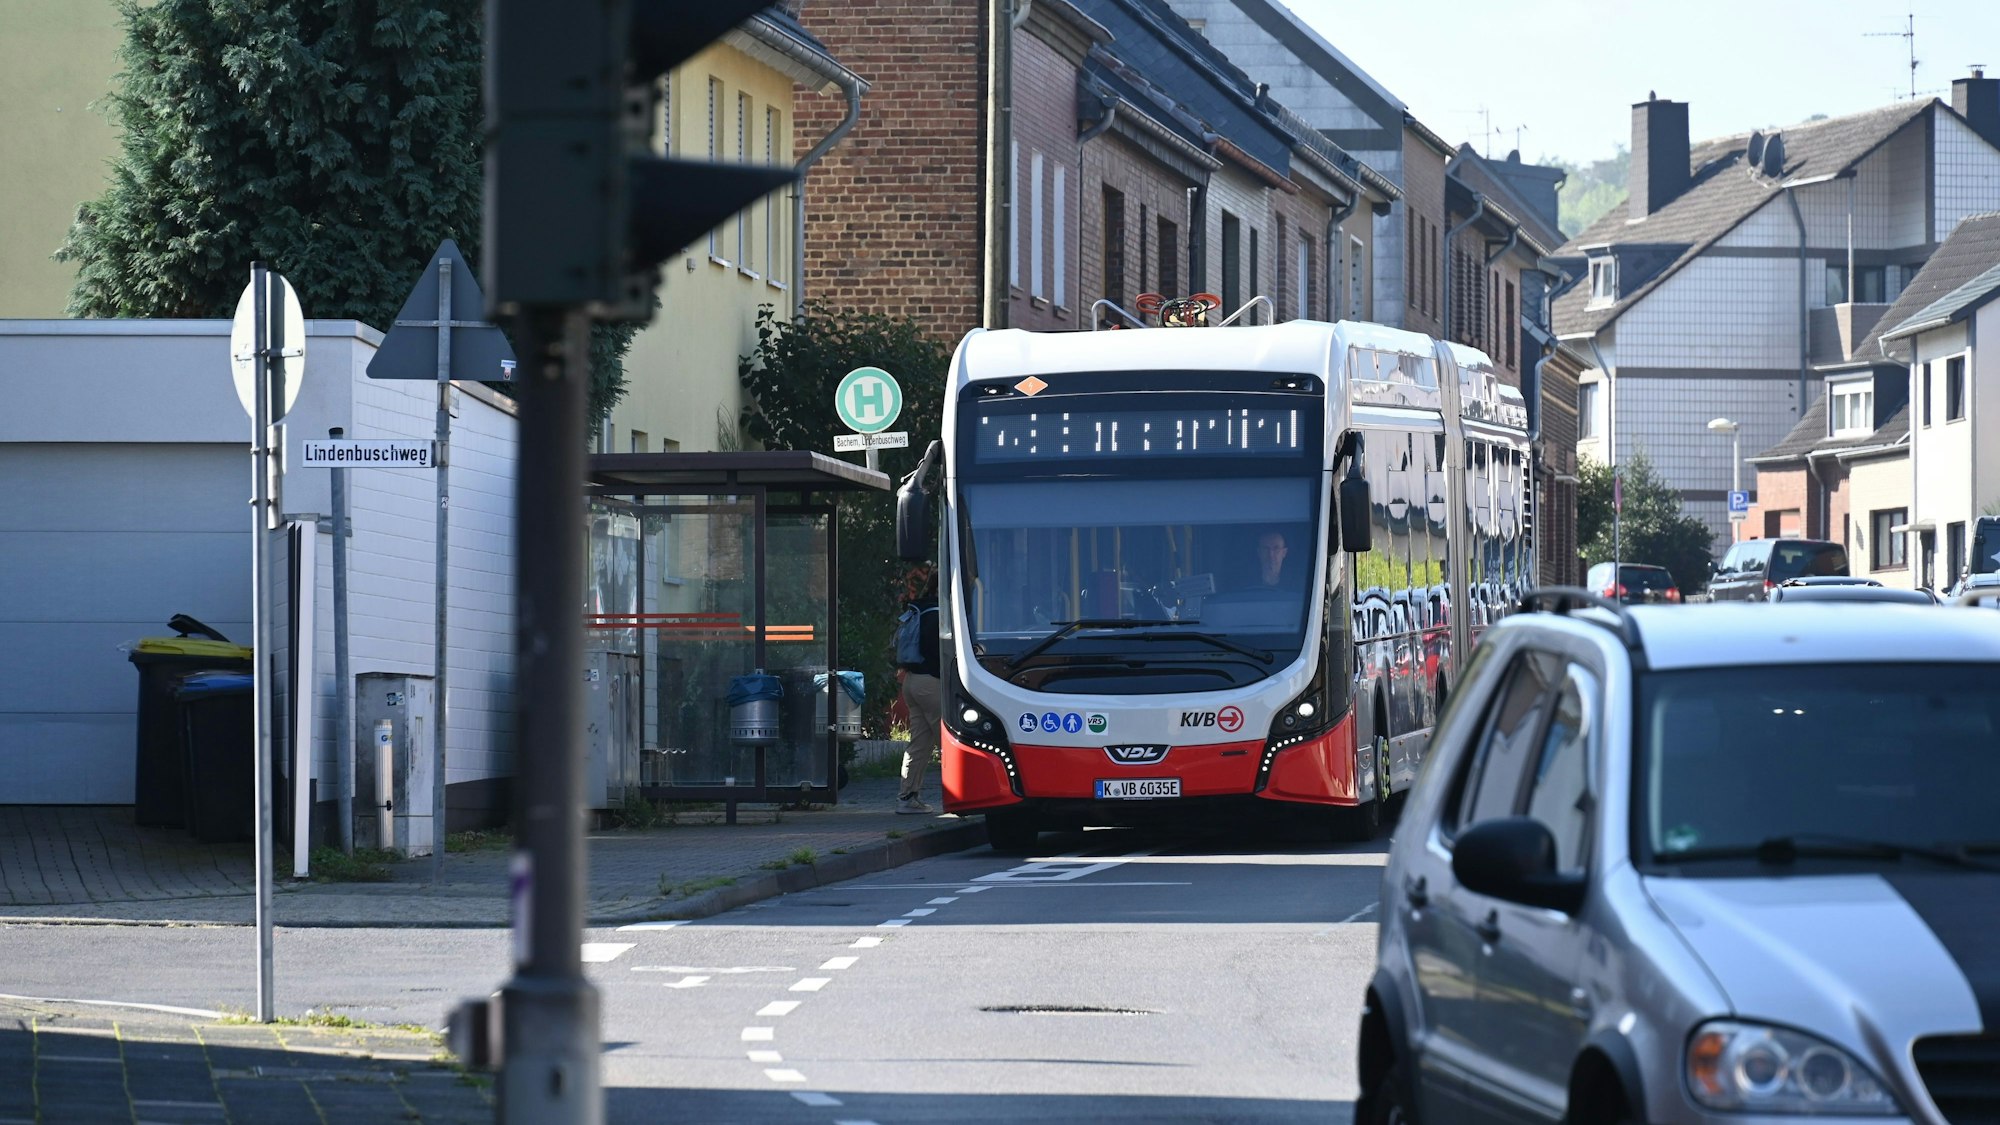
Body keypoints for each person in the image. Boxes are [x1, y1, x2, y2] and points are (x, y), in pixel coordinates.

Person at [896, 574, 942, 815]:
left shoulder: (919, 609)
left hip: (912, 681)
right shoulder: (937, 613)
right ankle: (964, 796)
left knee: (920, 743)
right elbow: (936, 650)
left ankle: (907, 797)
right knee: (950, 739)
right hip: (930, 682)